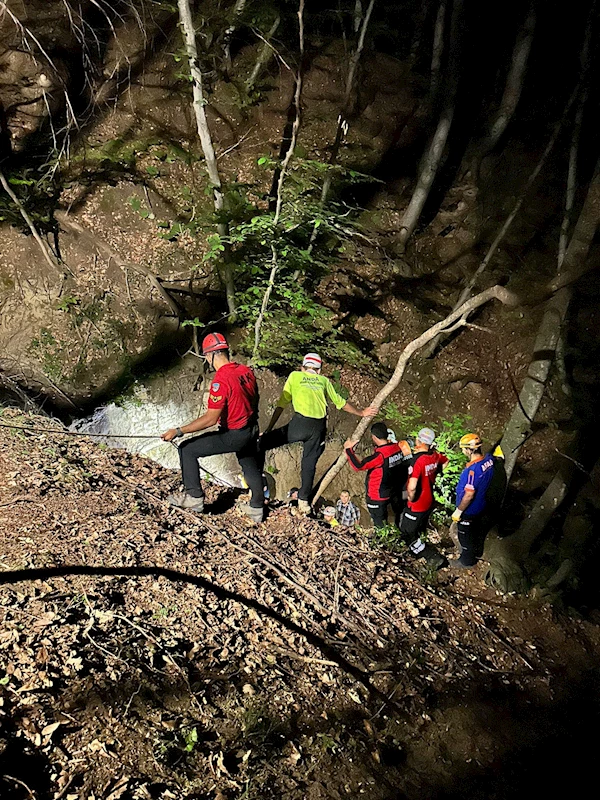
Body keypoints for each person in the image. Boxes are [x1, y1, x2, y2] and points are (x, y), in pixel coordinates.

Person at [161, 333, 264, 523]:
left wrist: (178, 431)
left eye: (206, 356)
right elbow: (255, 398)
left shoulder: (221, 380)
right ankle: (257, 509)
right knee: (249, 465)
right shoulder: (245, 371)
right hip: (250, 428)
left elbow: (210, 419)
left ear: (211, 355)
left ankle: (194, 498)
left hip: (234, 433)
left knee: (187, 449)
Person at [260, 353, 377, 515]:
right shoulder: (324, 381)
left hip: (300, 423)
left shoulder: (295, 376)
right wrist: (361, 412)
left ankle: (257, 486)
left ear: (303, 368)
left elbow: (282, 403)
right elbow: (340, 403)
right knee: (309, 465)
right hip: (318, 426)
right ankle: (303, 502)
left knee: (263, 443)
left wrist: (268, 429)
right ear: (319, 371)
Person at [399, 427, 448, 567]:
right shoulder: (434, 456)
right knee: (418, 525)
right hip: (429, 499)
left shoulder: (417, 461)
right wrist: (435, 475)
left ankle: (431, 556)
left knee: (407, 533)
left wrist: (410, 498)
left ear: (418, 440)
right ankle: (418, 542)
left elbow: (412, 486)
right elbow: (446, 461)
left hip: (417, 503)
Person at [344, 422, 403, 529]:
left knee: (379, 523)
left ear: (374, 437)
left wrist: (348, 450)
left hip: (377, 496)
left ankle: (382, 542)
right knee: (391, 518)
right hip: (392, 492)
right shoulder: (397, 448)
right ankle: (394, 536)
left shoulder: (380, 456)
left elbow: (358, 466)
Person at [450, 433, 496, 568]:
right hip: (482, 505)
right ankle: (475, 551)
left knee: (465, 536)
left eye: (464, 449)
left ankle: (467, 561)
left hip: (470, 510)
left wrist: (459, 511)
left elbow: (469, 495)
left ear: (469, 450)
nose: (463, 451)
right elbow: (493, 458)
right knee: (475, 532)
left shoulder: (472, 471)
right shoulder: (488, 461)